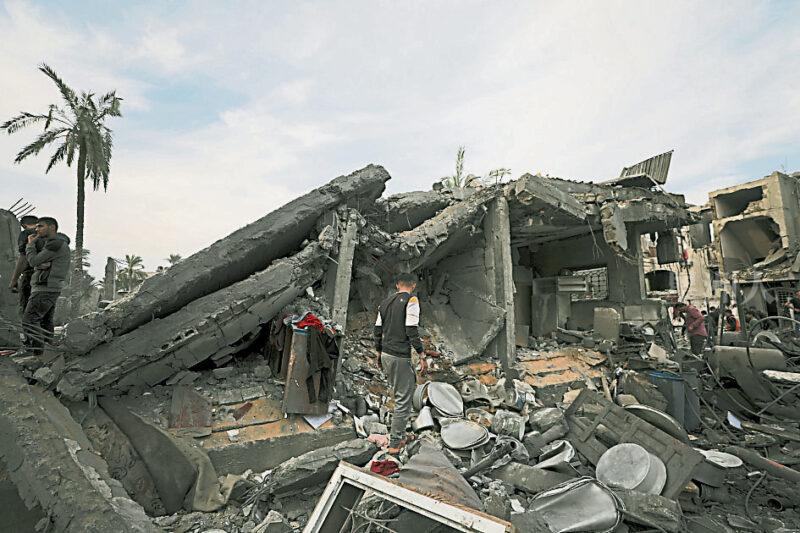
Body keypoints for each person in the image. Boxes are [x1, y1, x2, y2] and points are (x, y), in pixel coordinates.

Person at [373, 273, 426, 454]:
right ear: (413, 285)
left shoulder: (384, 303)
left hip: (386, 354)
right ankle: (395, 444)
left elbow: (377, 329)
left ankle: (400, 434)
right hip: (400, 355)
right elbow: (411, 329)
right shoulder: (412, 300)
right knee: (404, 399)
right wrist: (421, 353)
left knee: (399, 394)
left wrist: (379, 353)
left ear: (397, 285)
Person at [20, 217, 70, 355]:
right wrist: (41, 265)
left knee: (29, 320)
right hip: (49, 287)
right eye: (36, 227)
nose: (37, 230)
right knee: (45, 322)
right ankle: (48, 353)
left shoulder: (55, 244)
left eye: (40, 226)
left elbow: (33, 261)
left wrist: (30, 245)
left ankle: (38, 353)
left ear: (52, 227)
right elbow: (39, 263)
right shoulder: (53, 244)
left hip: (45, 288)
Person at [8, 215, 39, 314]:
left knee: (27, 311)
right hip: (50, 279)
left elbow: (23, 258)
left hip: (31, 276)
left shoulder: (26, 234)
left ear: (24, 225)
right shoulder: (48, 235)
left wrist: (14, 280)